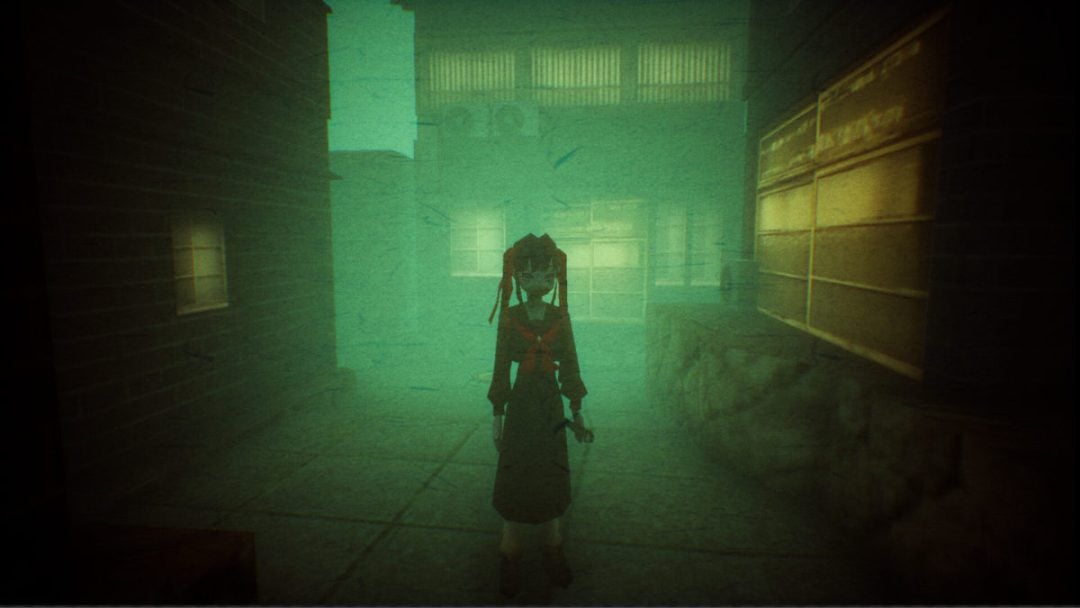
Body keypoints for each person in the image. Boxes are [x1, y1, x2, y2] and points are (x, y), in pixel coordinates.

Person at [486, 233, 594, 597]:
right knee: (516, 470)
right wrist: (497, 412)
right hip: (520, 406)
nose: (541, 282)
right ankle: (510, 549)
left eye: (548, 276)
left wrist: (576, 408)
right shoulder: (510, 317)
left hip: (550, 405)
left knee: (550, 469)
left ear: (555, 278)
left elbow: (571, 363)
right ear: (517, 277)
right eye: (530, 275)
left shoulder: (560, 316)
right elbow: (501, 366)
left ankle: (552, 545)